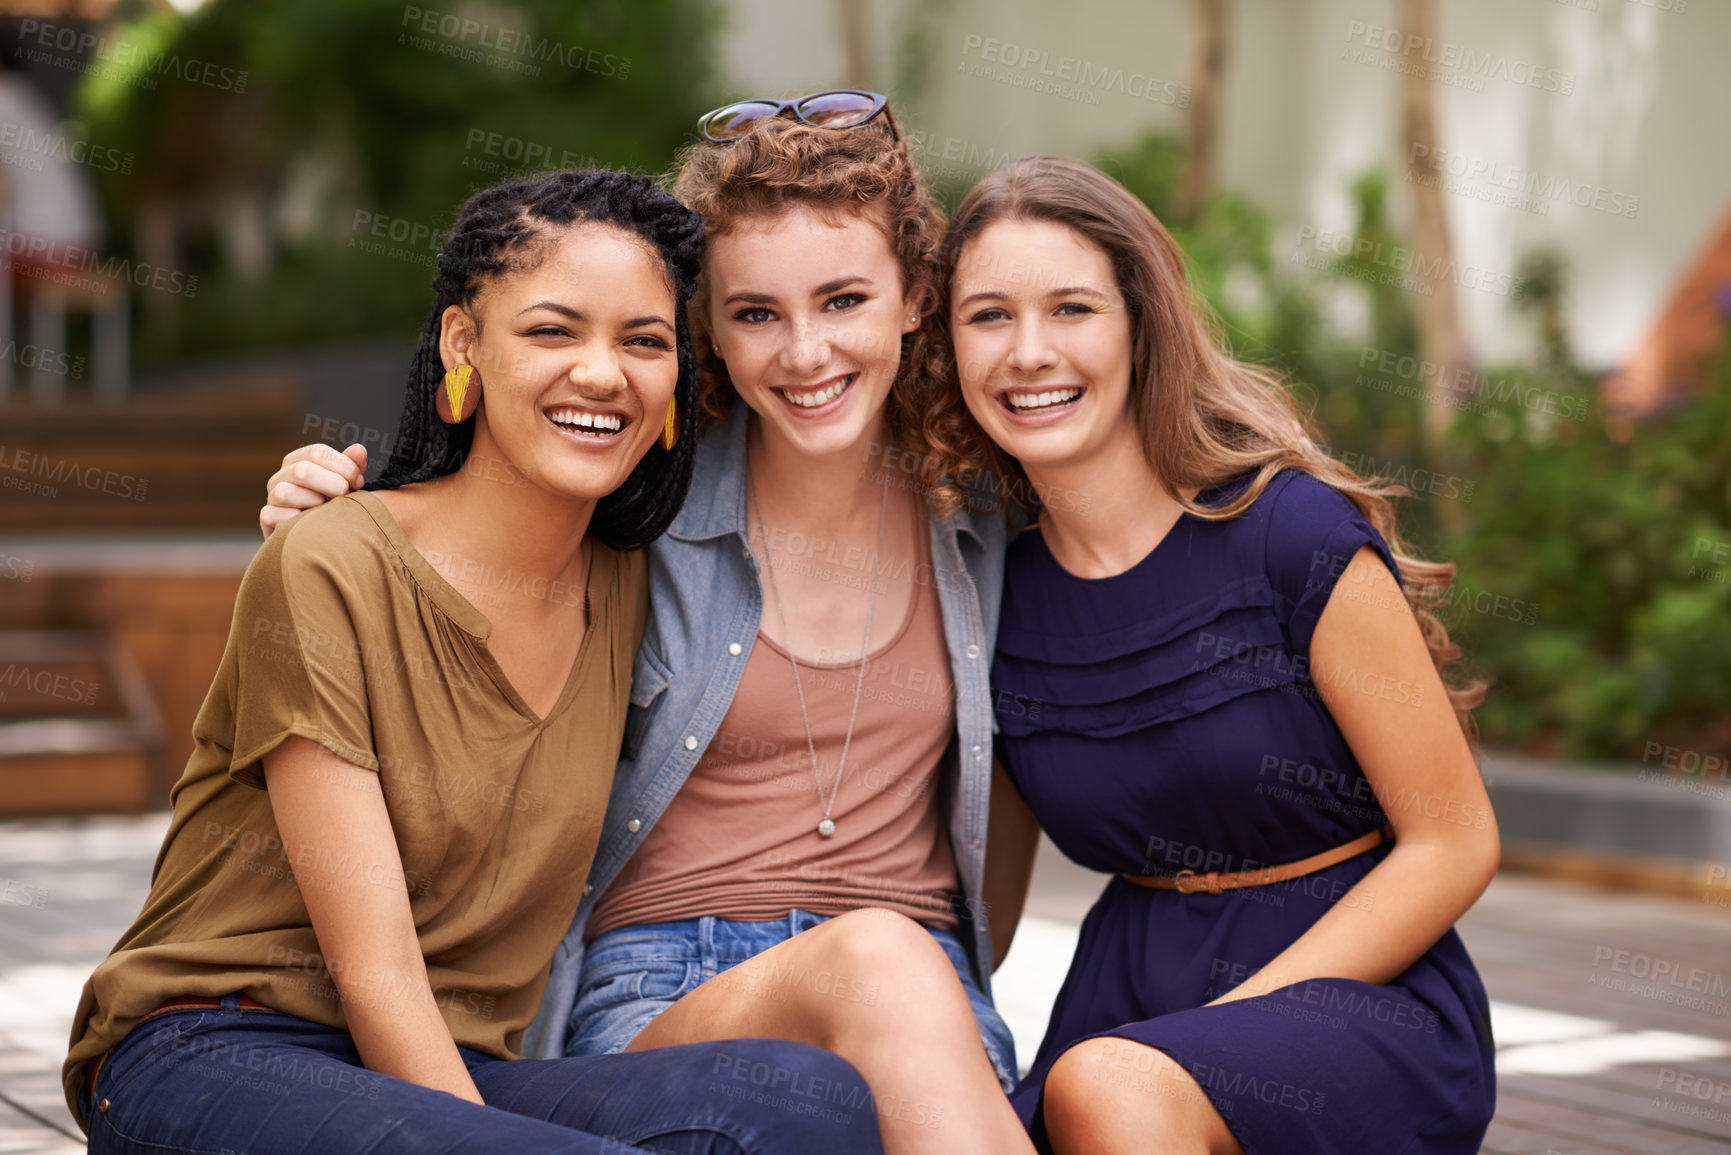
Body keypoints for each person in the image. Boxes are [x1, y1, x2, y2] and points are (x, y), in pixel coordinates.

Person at [258, 94, 1040, 1155]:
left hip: (927, 998)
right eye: (755, 312)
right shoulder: (635, 507)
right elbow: (446, 544)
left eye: (845, 300)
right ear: (707, 327)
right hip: (668, 983)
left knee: (894, 963)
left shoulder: (982, 512)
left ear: (912, 298)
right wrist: (323, 503)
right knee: (879, 960)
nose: (805, 353)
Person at [64, 168, 884, 1155]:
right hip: (216, 1049)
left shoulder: (631, 581)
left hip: (459, 1072)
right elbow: (374, 972)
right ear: (465, 345)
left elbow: (813, 402)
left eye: (645, 341)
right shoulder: (333, 563)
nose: (602, 373)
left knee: (809, 1099)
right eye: (552, 331)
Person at [931, 155, 1500, 1154]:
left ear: (1141, 328)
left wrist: (1238, 1027)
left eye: (1072, 310)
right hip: (1122, 1002)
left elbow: (1455, 842)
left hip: (1358, 995)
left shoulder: (1289, 537)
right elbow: (986, 908)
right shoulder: (994, 598)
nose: (1028, 352)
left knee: (1111, 1088)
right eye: (988, 317)